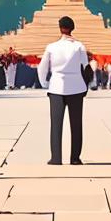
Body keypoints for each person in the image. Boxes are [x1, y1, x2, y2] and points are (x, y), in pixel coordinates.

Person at [38, 16, 89, 165]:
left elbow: (42, 68)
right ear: (72, 28)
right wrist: (86, 85)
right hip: (76, 87)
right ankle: (75, 158)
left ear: (60, 28)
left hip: (56, 87)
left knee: (56, 124)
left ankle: (56, 157)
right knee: (76, 124)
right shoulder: (79, 46)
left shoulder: (51, 47)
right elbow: (86, 67)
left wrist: (45, 83)